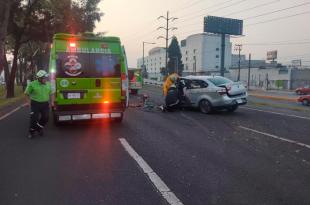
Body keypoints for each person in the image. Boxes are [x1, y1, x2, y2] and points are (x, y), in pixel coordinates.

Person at [24, 70, 55, 139]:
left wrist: (52, 102)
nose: (46, 79)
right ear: (39, 78)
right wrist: (28, 102)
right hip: (35, 104)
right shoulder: (32, 84)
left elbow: (52, 93)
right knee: (34, 118)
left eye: (46, 78)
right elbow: (26, 94)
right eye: (44, 78)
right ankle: (31, 132)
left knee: (46, 118)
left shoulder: (48, 84)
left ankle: (38, 128)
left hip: (45, 104)